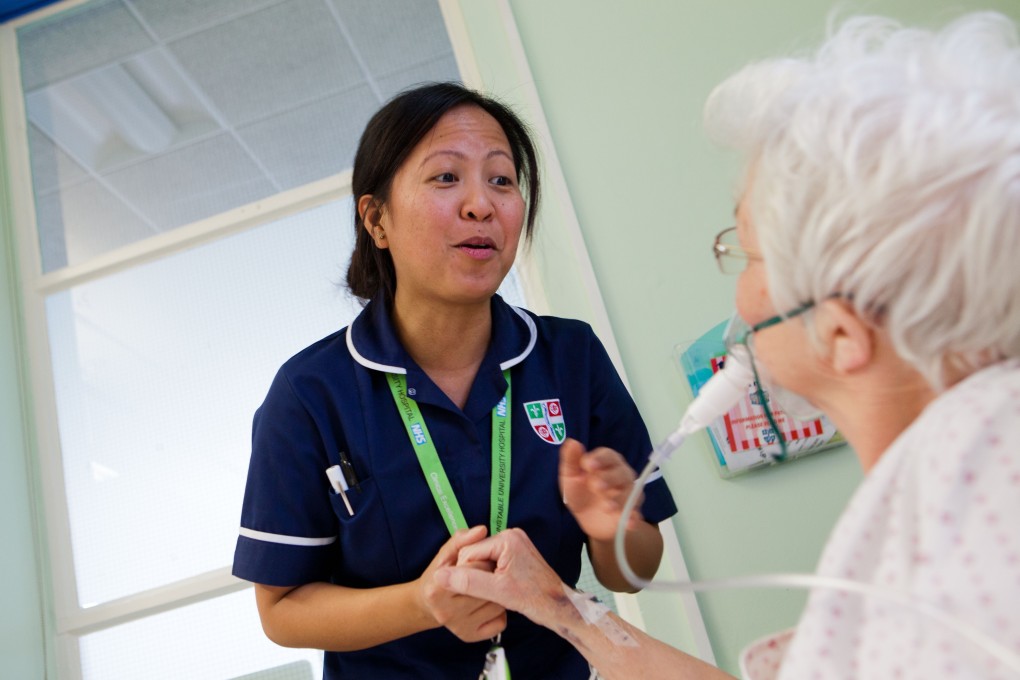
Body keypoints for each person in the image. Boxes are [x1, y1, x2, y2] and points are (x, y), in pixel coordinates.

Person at [436, 12, 1020, 680]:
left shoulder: (980, 474)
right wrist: (563, 610)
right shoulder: (954, 465)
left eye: (745, 253)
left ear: (840, 329)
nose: (738, 298)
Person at [231, 82, 677, 679]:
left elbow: (636, 572)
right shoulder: (310, 393)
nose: (481, 205)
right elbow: (282, 611)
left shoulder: (571, 354)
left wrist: (614, 526)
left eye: (501, 180)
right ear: (376, 219)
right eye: (446, 178)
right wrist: (422, 604)